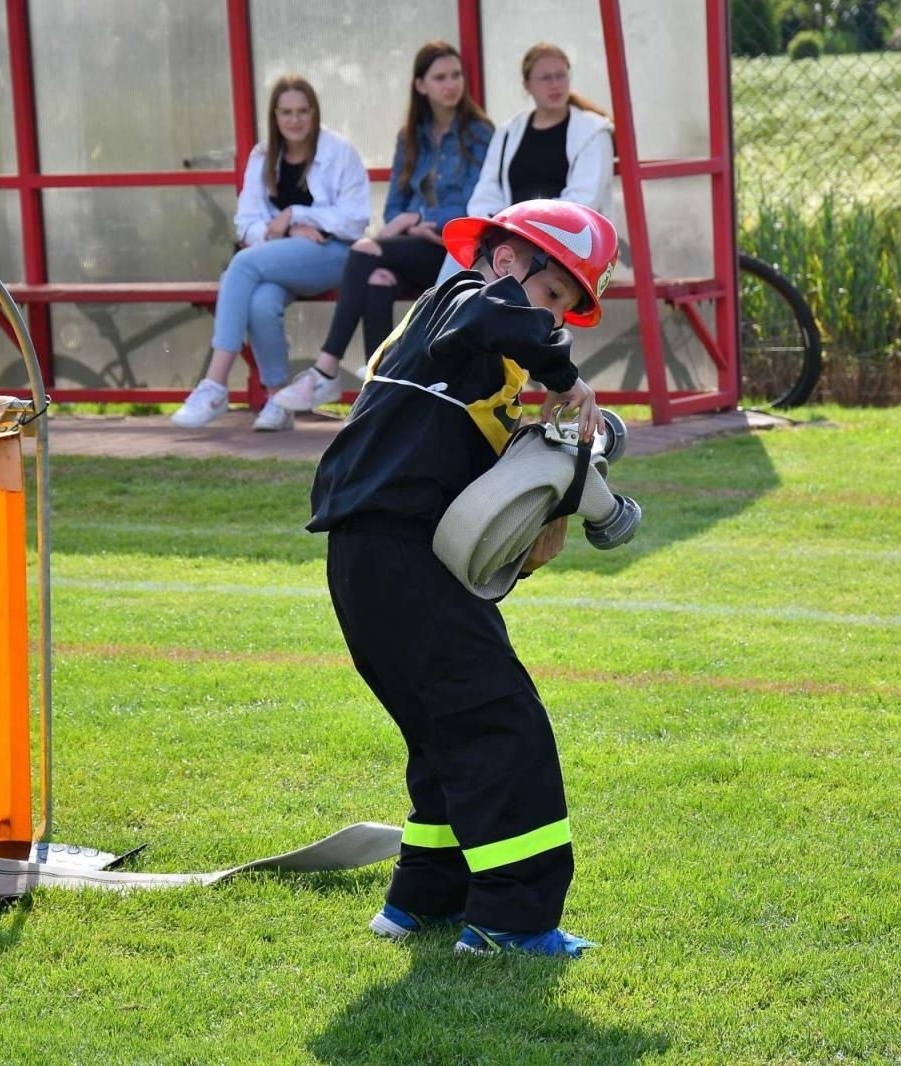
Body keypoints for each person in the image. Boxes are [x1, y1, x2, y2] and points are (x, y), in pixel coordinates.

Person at [307, 199, 619, 957]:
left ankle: (425, 898)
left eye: (569, 311)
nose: (553, 319)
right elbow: (492, 321)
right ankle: (513, 921)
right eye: (552, 297)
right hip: (399, 554)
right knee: (500, 723)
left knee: (445, 733)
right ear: (508, 259)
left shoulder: (446, 338)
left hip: (367, 558)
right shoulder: (467, 300)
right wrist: (565, 377)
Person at [271, 41, 492, 414]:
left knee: (364, 250)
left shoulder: (480, 134)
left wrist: (421, 219)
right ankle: (382, 398)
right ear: (421, 85)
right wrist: (409, 222)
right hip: (412, 247)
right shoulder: (408, 138)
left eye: (456, 75)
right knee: (378, 280)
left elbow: (476, 203)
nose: (451, 84)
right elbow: (393, 208)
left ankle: (328, 368)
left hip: (455, 250)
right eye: (440, 77)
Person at [170, 75, 367, 432]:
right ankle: (278, 400)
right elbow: (245, 224)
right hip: (281, 256)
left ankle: (214, 385)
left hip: (334, 254)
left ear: (315, 113)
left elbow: (354, 220)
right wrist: (288, 230)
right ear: (275, 116)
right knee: (260, 302)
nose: (295, 120)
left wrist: (295, 214)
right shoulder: (263, 156)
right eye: (286, 112)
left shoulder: (340, 151)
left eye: (303, 111)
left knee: (239, 267)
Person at [466, 42, 614, 220]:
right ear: (527, 85)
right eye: (545, 78)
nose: (555, 85)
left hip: (570, 238)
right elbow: (486, 192)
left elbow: (584, 200)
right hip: (510, 235)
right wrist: (496, 222)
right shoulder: (507, 132)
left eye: (561, 76)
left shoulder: (593, 131)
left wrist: (527, 223)